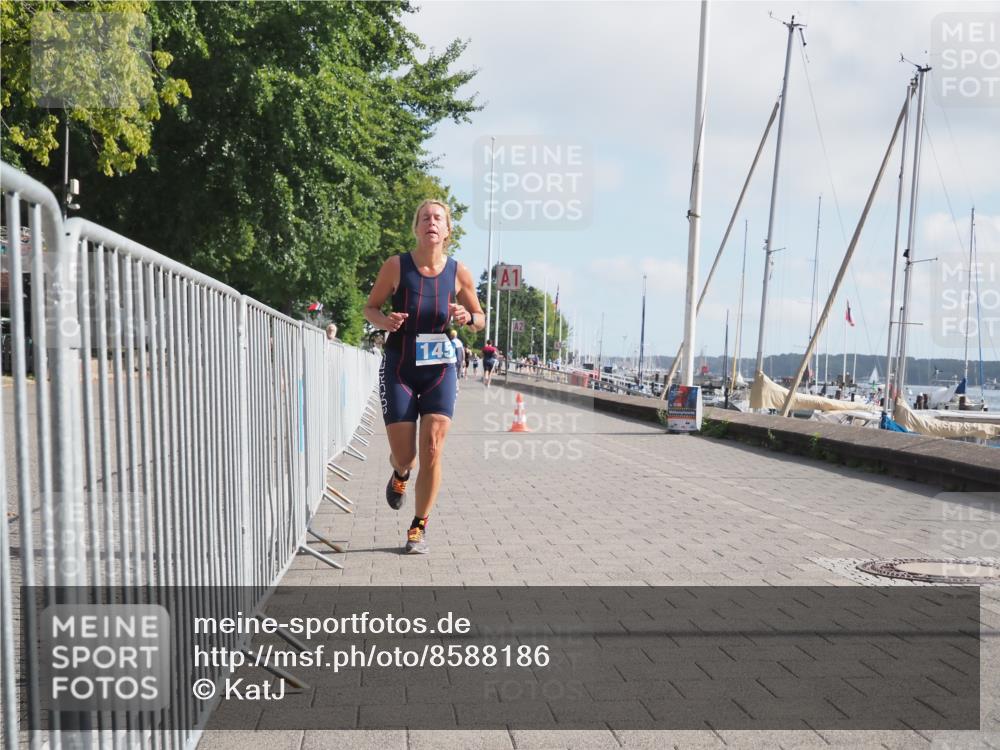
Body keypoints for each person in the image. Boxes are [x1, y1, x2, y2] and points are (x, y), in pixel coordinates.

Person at [364, 200, 486, 554]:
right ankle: (400, 474)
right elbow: (369, 307)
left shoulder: (459, 272)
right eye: (425, 218)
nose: (432, 223)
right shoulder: (396, 267)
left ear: (447, 231)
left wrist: (468, 316)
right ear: (416, 228)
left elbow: (480, 318)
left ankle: (418, 527)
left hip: (440, 368)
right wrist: (384, 321)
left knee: (432, 448)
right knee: (406, 456)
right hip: (400, 366)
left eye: (438, 219)